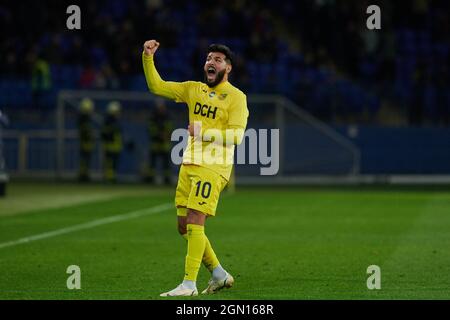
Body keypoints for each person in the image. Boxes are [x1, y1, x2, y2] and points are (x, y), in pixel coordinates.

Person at [142, 40, 249, 297]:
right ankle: (219, 274)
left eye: (218, 59)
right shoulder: (193, 89)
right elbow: (156, 86)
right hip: (189, 163)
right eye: (209, 58)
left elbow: (237, 136)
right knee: (183, 226)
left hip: (213, 167)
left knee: (195, 222)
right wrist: (147, 57)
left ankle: (188, 285)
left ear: (228, 68)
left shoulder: (236, 97)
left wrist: (204, 131)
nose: (211, 62)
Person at [146, 99, 173, 184]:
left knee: (166, 164)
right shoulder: (153, 117)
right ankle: (150, 178)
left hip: (165, 144)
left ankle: (167, 179)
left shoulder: (167, 117)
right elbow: (150, 129)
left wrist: (167, 134)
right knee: (152, 163)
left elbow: (170, 128)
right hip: (155, 143)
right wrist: (159, 134)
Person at [101, 101, 123, 183]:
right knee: (110, 164)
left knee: (113, 164)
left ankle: (111, 178)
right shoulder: (109, 121)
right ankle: (109, 179)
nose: (118, 113)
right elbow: (105, 133)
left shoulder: (114, 121)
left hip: (115, 146)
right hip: (110, 146)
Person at [78, 98, 95, 182]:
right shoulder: (84, 120)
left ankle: (84, 175)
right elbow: (85, 132)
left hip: (86, 142)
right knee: (84, 160)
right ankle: (83, 176)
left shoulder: (83, 119)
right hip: (85, 143)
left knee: (85, 161)